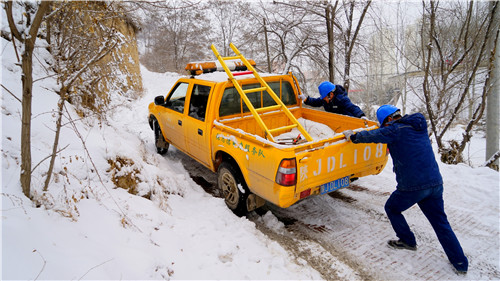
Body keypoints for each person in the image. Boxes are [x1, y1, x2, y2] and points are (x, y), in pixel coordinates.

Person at [342, 104, 468, 275]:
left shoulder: (395, 130)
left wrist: (354, 136)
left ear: (387, 120)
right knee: (441, 223)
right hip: (435, 183)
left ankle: (407, 241)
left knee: (392, 208)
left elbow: (373, 135)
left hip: (413, 186)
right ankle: (460, 263)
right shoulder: (418, 125)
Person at [299, 81, 367, 119]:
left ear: (331, 94)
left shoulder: (341, 99)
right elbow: (316, 102)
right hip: (335, 120)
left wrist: (361, 115)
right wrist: (306, 99)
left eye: (325, 97)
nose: (324, 99)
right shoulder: (325, 99)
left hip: (348, 121)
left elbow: (352, 107)